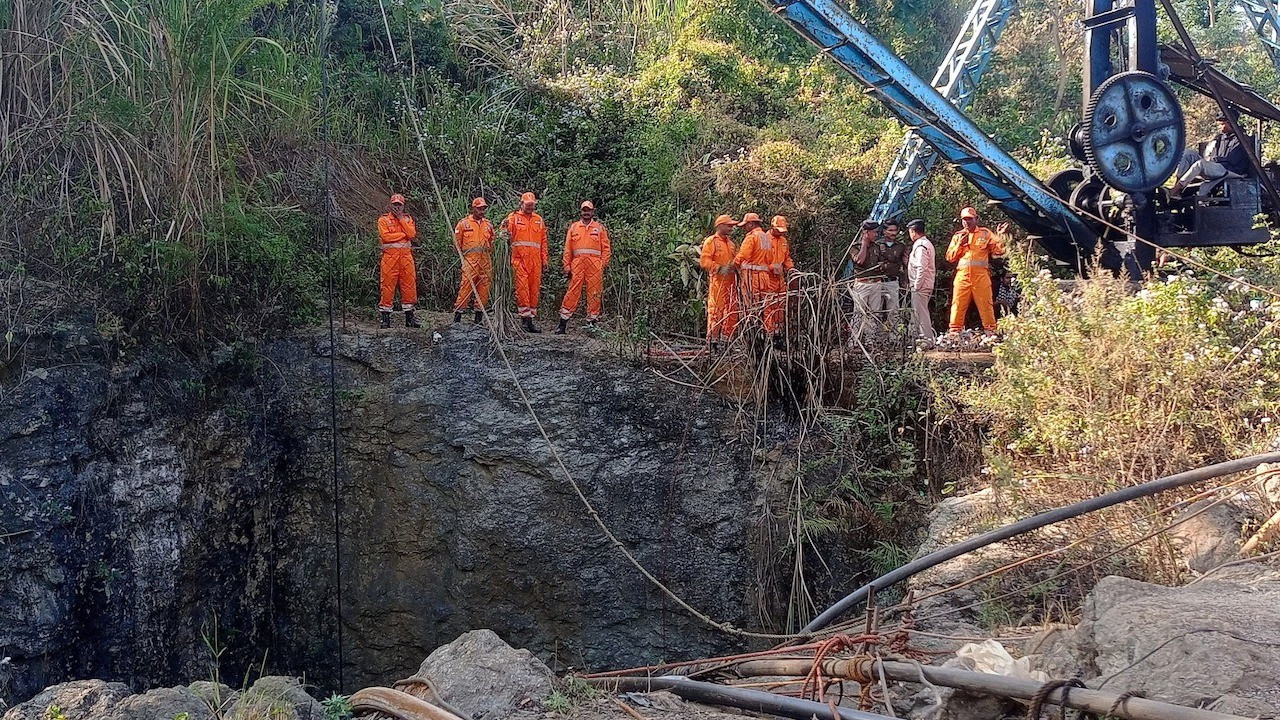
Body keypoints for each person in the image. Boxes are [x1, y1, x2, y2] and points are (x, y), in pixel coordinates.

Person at [946, 206, 1008, 336]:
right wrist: (959, 245)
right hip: (962, 277)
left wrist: (1001, 236)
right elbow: (950, 257)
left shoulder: (985, 233)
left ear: (976, 219)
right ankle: (954, 333)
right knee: (957, 305)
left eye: (969, 219)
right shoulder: (958, 236)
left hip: (981, 276)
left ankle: (991, 332)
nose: (966, 222)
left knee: (986, 305)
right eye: (964, 219)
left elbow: (999, 250)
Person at [733, 214, 795, 335]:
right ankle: (767, 332)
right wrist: (771, 267)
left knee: (777, 306)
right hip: (768, 277)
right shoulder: (765, 237)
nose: (780, 233)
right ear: (773, 227)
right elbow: (766, 259)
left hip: (770, 278)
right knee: (766, 306)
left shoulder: (781, 241)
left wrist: (791, 269)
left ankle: (775, 333)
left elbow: (786, 258)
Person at [557, 201, 611, 334]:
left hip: (594, 266)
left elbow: (606, 249)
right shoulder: (574, 227)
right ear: (580, 212)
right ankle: (562, 324)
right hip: (577, 265)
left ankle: (592, 325)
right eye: (584, 210)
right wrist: (567, 265)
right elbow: (568, 248)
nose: (586, 212)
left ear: (593, 212)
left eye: (589, 210)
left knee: (594, 294)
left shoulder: (599, 228)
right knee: (572, 292)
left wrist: (601, 264)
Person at [1170, 109, 1254, 196]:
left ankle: (1174, 190)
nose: (1219, 127)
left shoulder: (1241, 139)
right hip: (1216, 166)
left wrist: (1213, 160)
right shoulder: (1220, 138)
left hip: (1230, 170)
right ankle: (1178, 186)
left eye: (1222, 124)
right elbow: (1212, 154)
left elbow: (1232, 161)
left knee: (1200, 164)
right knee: (1188, 153)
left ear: (1230, 122)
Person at [850, 219, 909, 340]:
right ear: (866, 233)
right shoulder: (855, 247)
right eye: (874, 232)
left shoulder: (877, 246)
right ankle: (854, 341)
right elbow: (860, 260)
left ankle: (870, 340)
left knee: (874, 314)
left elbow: (885, 264)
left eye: (877, 232)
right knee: (859, 314)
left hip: (876, 283)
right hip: (862, 284)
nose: (876, 235)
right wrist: (864, 244)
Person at [503, 192, 549, 333]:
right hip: (519, 260)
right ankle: (525, 320)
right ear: (521, 204)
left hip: (535, 262)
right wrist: (504, 228)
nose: (530, 208)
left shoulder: (539, 220)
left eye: (532, 205)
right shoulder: (513, 218)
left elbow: (543, 241)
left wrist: (545, 259)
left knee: (534, 290)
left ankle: (530, 320)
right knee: (522, 290)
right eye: (527, 205)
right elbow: (503, 235)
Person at [378, 193, 419, 329]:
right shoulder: (383, 220)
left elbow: (412, 234)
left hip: (406, 258)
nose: (397, 207)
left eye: (399, 205)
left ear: (403, 206)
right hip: (389, 258)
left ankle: (409, 318)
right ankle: (385, 319)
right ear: (390, 205)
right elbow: (386, 237)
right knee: (387, 286)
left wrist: (401, 219)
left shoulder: (407, 219)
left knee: (409, 286)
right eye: (394, 204)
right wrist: (403, 235)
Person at [699, 214, 740, 346]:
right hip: (718, 282)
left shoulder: (731, 244)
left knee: (731, 310)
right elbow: (704, 261)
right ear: (720, 226)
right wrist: (718, 268)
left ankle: (726, 340)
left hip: (732, 283)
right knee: (716, 310)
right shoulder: (711, 241)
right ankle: (713, 341)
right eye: (729, 226)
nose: (731, 228)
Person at [453, 197, 495, 325]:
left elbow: (492, 242)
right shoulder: (464, 224)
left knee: (484, 288)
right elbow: (456, 243)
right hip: (470, 260)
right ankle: (458, 316)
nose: (481, 211)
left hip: (485, 260)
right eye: (479, 208)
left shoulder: (488, 225)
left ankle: (478, 317)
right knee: (466, 286)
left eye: (483, 209)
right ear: (473, 208)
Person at [905, 219, 936, 341]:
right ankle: (918, 338)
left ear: (913, 231)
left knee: (922, 313)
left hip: (921, 285)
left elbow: (921, 267)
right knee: (918, 312)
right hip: (924, 284)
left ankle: (927, 339)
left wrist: (917, 286)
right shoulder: (925, 243)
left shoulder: (921, 246)